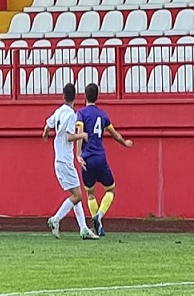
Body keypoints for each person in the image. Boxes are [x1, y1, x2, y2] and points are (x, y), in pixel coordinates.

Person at [75, 83, 133, 237]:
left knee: (90, 193)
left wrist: (78, 154)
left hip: (87, 158)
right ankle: (99, 217)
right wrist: (125, 143)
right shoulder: (103, 115)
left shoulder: (81, 113)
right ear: (97, 96)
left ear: (85, 96)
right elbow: (115, 134)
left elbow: (80, 131)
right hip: (100, 157)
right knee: (111, 189)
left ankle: (97, 220)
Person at [43, 83, 98, 240]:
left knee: (76, 193)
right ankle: (56, 219)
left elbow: (47, 126)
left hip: (59, 159)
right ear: (76, 97)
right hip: (65, 161)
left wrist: (45, 135)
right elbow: (68, 137)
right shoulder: (71, 114)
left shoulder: (59, 111)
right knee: (78, 195)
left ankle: (83, 229)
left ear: (63, 96)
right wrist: (82, 135)